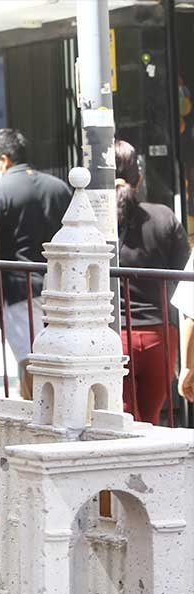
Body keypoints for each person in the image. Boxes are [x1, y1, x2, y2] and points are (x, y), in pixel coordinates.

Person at [0, 128, 72, 397]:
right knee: (60, 361)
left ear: (4, 159)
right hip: (61, 288)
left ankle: (38, 415)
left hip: (18, 290)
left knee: (31, 361)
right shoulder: (59, 188)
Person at [114, 139, 190, 424]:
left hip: (112, 337)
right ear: (140, 177)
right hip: (160, 336)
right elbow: (184, 277)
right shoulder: (164, 217)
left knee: (120, 423)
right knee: (151, 422)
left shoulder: (94, 222)